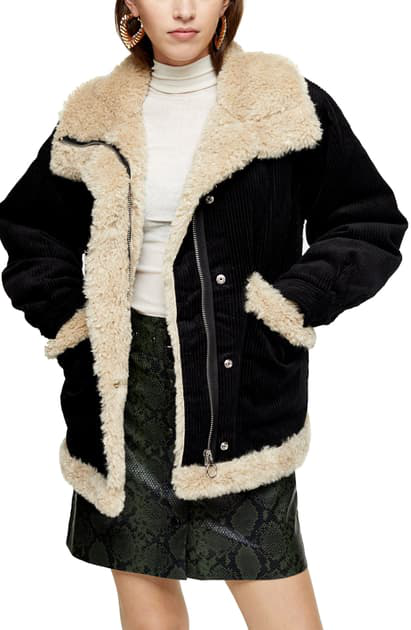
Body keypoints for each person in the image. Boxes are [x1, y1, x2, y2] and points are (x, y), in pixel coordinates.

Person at [0, 1, 407, 628]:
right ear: (132, 4)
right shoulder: (93, 114)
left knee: (276, 593)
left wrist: (286, 306)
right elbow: (32, 231)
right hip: (125, 389)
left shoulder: (285, 101)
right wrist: (73, 324)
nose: (185, 9)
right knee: (144, 585)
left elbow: (367, 222)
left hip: (240, 381)